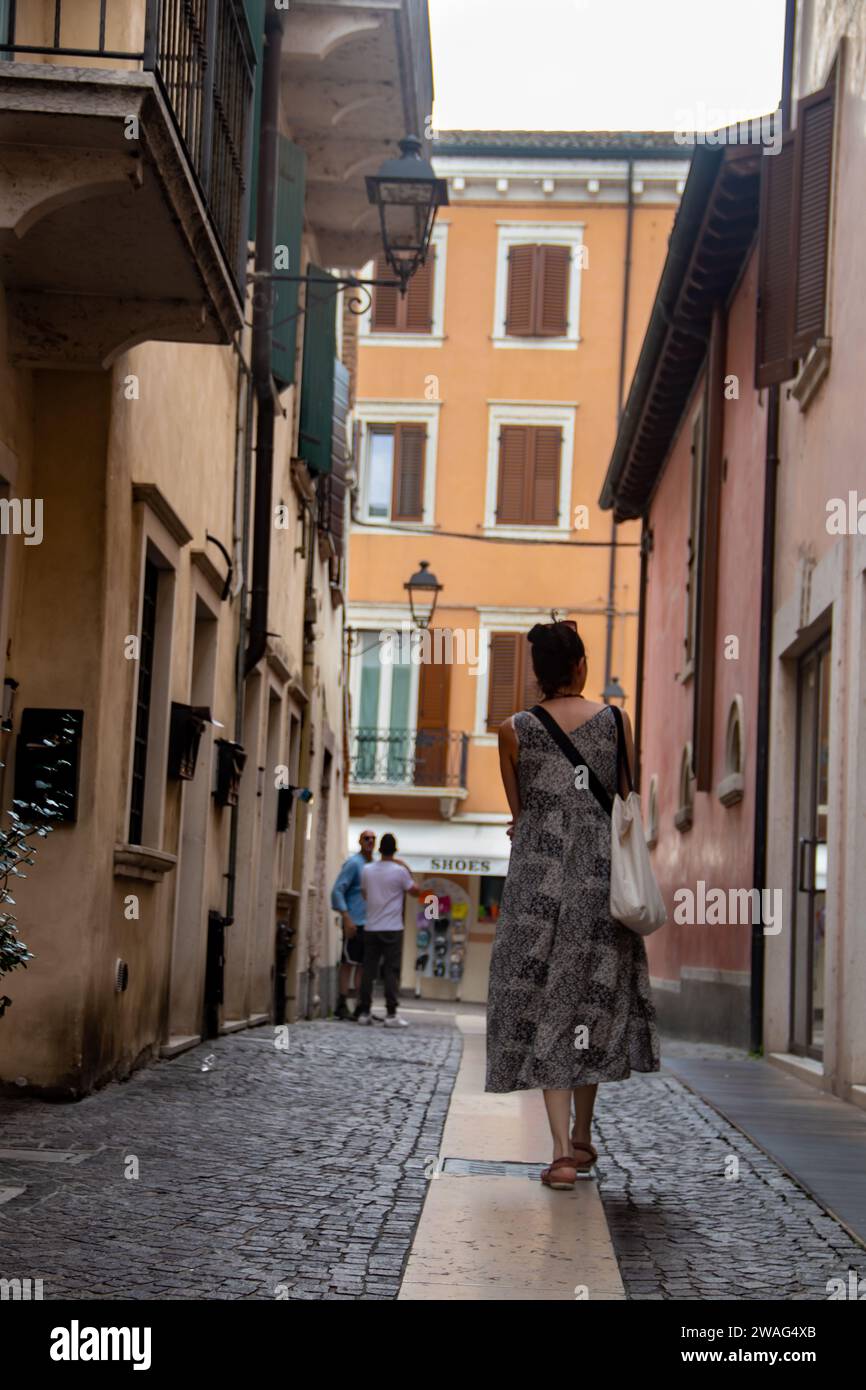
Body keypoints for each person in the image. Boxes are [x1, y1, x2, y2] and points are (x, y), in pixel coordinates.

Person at [485, 619, 660, 1190]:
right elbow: (626, 799)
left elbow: (520, 817)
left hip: (539, 889)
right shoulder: (615, 721)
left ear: (537, 671)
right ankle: (582, 1136)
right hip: (599, 886)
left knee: (547, 1006)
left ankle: (560, 1151)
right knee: (590, 1006)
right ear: (581, 666)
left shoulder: (512, 731)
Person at [357, 832, 421, 1029]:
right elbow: (415, 891)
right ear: (395, 850)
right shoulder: (399, 871)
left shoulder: (367, 869)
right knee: (391, 971)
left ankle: (365, 1012)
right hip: (393, 928)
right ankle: (391, 1014)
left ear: (379, 849)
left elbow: (365, 893)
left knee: (369, 970)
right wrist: (406, 867)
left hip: (371, 926)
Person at [330, 830, 376, 1020]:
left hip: (369, 923)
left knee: (363, 966)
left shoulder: (373, 865)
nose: (370, 841)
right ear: (359, 841)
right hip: (354, 922)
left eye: (373, 839)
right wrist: (346, 917)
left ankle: (358, 1006)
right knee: (348, 963)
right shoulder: (354, 863)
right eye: (367, 838)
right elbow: (337, 890)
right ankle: (341, 1005)